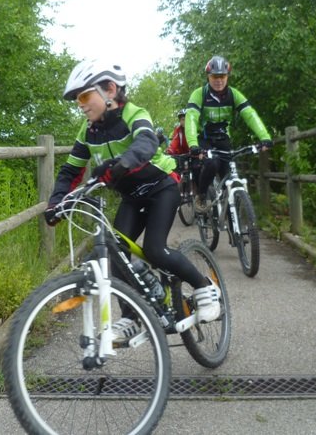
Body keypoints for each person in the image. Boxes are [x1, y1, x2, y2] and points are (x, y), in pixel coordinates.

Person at [44, 59, 221, 342]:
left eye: (85, 96)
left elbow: (147, 142)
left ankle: (205, 288)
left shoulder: (134, 113)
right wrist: (55, 203)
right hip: (131, 197)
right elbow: (70, 171)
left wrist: (121, 164)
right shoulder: (87, 131)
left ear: (110, 90)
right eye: (78, 99)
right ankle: (130, 317)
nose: (81, 104)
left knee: (154, 249)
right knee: (116, 252)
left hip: (162, 187)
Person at [185, 55, 273, 213]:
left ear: (227, 77)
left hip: (223, 138)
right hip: (204, 139)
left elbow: (250, 115)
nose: (219, 80)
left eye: (222, 76)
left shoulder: (234, 94)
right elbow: (191, 118)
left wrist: (264, 137)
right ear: (208, 77)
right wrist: (193, 145)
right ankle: (202, 195)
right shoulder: (199, 94)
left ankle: (234, 220)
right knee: (212, 163)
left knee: (229, 174)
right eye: (215, 76)